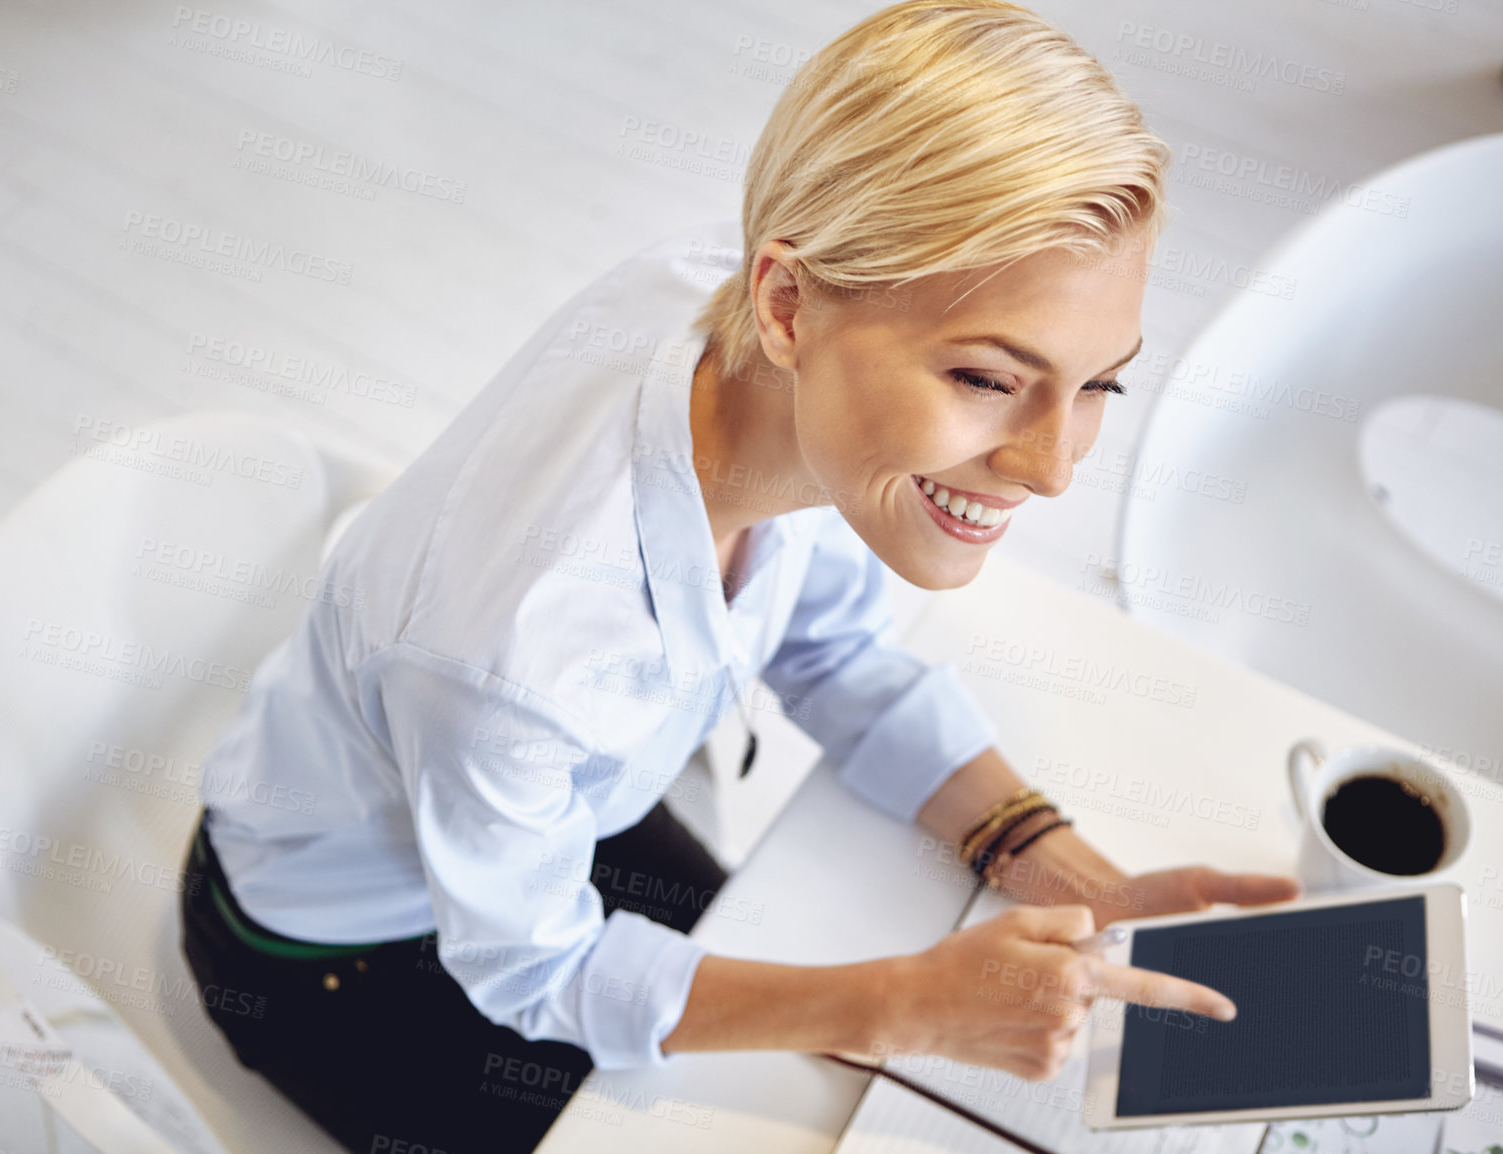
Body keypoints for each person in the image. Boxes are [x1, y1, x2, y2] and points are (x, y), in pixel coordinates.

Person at [177, 2, 1303, 1151]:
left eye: (1099, 385)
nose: (1054, 468)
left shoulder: (760, 330)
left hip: (539, 807)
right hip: (337, 955)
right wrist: (908, 1001)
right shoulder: (517, 649)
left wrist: (1041, 852)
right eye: (982, 376)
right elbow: (536, 964)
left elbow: (830, 647)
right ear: (785, 303)